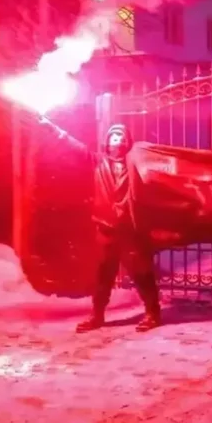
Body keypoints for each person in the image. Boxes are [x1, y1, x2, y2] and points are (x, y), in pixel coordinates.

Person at [44, 119, 162, 333]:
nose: (118, 141)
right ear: (107, 143)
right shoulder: (97, 162)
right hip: (106, 228)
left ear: (128, 142)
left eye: (121, 137)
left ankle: (153, 312)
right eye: (114, 137)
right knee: (103, 275)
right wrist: (52, 129)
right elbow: (75, 148)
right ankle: (96, 315)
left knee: (141, 273)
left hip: (131, 230)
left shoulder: (135, 164)